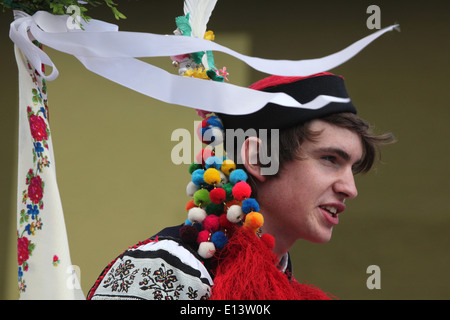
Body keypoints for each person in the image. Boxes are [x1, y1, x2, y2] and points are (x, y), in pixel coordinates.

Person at [86, 72, 394, 300]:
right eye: (329, 159)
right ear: (259, 159)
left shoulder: (284, 285)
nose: (349, 188)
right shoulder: (167, 267)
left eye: (352, 167)